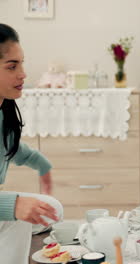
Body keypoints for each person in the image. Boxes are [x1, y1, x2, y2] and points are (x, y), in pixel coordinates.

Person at [0, 23, 63, 263]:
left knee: (51, 208)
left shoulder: (3, 110)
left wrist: (42, 165)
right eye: (12, 66)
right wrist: (13, 205)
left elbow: (10, 146)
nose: (23, 73)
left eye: (22, 63)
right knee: (22, 213)